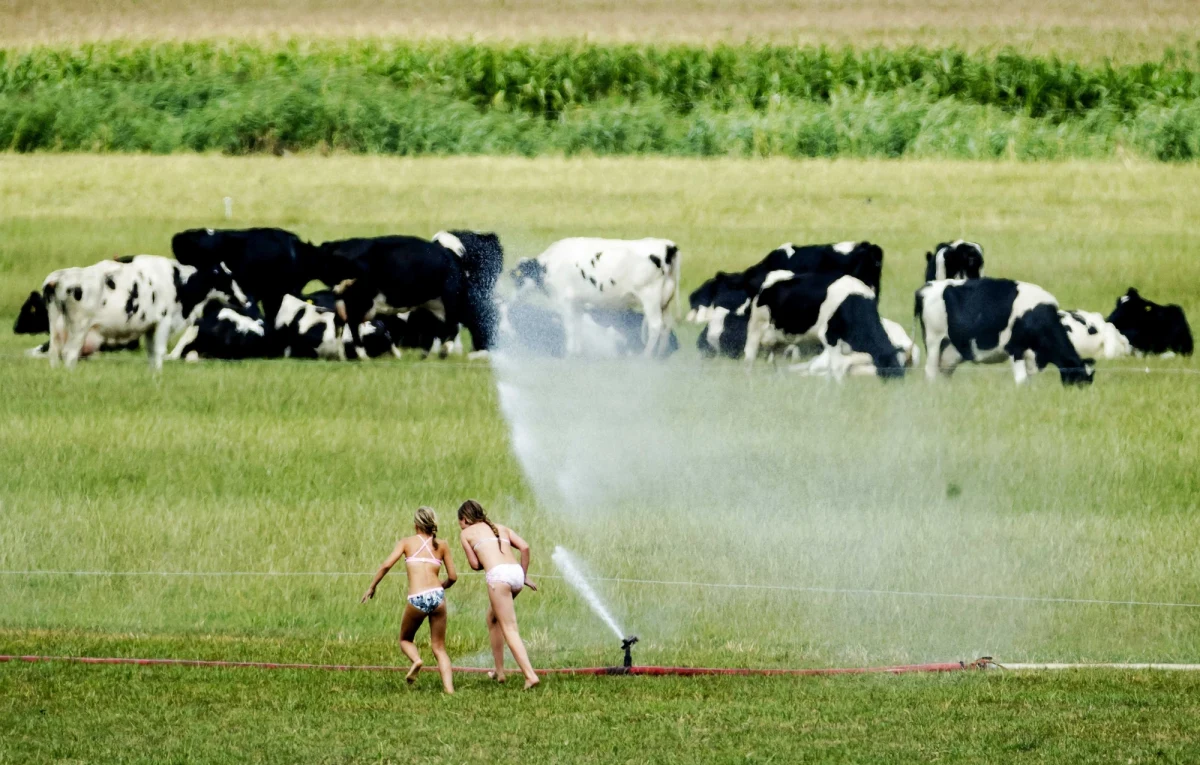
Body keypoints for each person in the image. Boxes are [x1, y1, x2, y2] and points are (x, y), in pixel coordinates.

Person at [361, 506, 458, 693]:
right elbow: (453, 577)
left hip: (417, 597)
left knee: (405, 639)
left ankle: (417, 660)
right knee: (439, 647)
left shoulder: (406, 543)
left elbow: (386, 565)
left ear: (416, 525)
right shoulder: (442, 545)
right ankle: (449, 689)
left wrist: (372, 586)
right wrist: (440, 587)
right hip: (438, 597)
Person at [457, 499, 540, 689]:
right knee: (492, 618)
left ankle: (530, 675)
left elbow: (475, 565)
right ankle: (499, 671)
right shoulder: (500, 527)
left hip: (499, 578)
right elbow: (525, 547)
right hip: (516, 574)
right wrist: (524, 576)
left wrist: (485, 556)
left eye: (460, 523)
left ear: (464, 520)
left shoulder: (466, 533)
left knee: (509, 628)